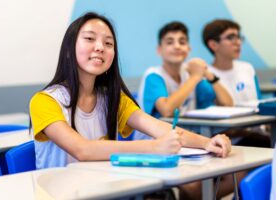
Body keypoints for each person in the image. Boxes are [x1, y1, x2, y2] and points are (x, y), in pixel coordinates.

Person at [29, 12, 231, 170]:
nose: (100, 47)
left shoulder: (113, 98)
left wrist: (207, 143)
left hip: (102, 189)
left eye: (108, 43)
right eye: (90, 39)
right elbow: (83, 150)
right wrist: (154, 148)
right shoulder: (45, 101)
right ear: (67, 50)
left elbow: (163, 130)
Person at [134, 21, 233, 140]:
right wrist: (195, 77)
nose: (177, 46)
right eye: (170, 42)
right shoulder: (153, 75)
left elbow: (227, 104)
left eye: (182, 42)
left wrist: (209, 75)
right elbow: (167, 110)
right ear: (159, 50)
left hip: (185, 142)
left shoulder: (189, 74)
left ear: (188, 49)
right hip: (151, 145)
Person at [202, 19, 270, 147]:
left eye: (239, 37)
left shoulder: (247, 68)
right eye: (230, 38)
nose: (238, 42)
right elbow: (209, 122)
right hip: (233, 141)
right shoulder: (206, 76)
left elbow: (260, 105)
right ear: (213, 45)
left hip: (259, 133)